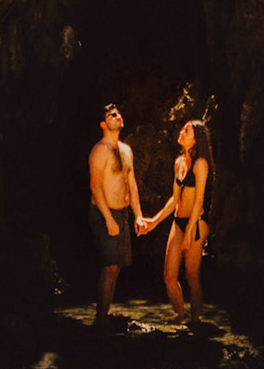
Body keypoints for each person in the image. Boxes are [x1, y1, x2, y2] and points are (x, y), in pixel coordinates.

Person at [140, 118, 212, 328]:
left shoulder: (200, 164)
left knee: (191, 274)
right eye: (182, 129)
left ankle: (195, 320)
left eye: (186, 130)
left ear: (196, 139)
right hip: (178, 221)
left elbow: (199, 201)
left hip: (196, 222)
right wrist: (154, 221)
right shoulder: (179, 162)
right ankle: (180, 315)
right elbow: (175, 199)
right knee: (169, 276)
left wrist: (189, 231)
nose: (181, 132)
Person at [86, 103, 143, 329]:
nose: (118, 116)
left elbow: (132, 185)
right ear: (103, 124)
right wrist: (108, 219)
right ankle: (100, 319)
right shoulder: (100, 150)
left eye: (119, 113)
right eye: (112, 115)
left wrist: (138, 216)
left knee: (116, 266)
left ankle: (104, 316)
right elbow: (95, 186)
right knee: (110, 266)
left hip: (123, 213)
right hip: (104, 213)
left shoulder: (126, 150)